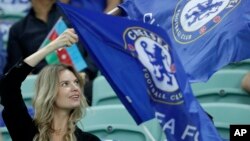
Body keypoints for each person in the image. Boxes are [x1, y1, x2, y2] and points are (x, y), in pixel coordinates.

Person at [0, 28, 100, 141]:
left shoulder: (89, 140)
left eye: (76, 82)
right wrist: (53, 46)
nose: (75, 88)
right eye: (65, 84)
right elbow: (8, 85)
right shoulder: (27, 131)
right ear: (49, 91)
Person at [4, 0, 98, 105]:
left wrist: (86, 73)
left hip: (80, 81)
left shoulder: (73, 16)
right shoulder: (18, 30)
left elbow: (94, 52)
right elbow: (14, 69)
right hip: (43, 89)